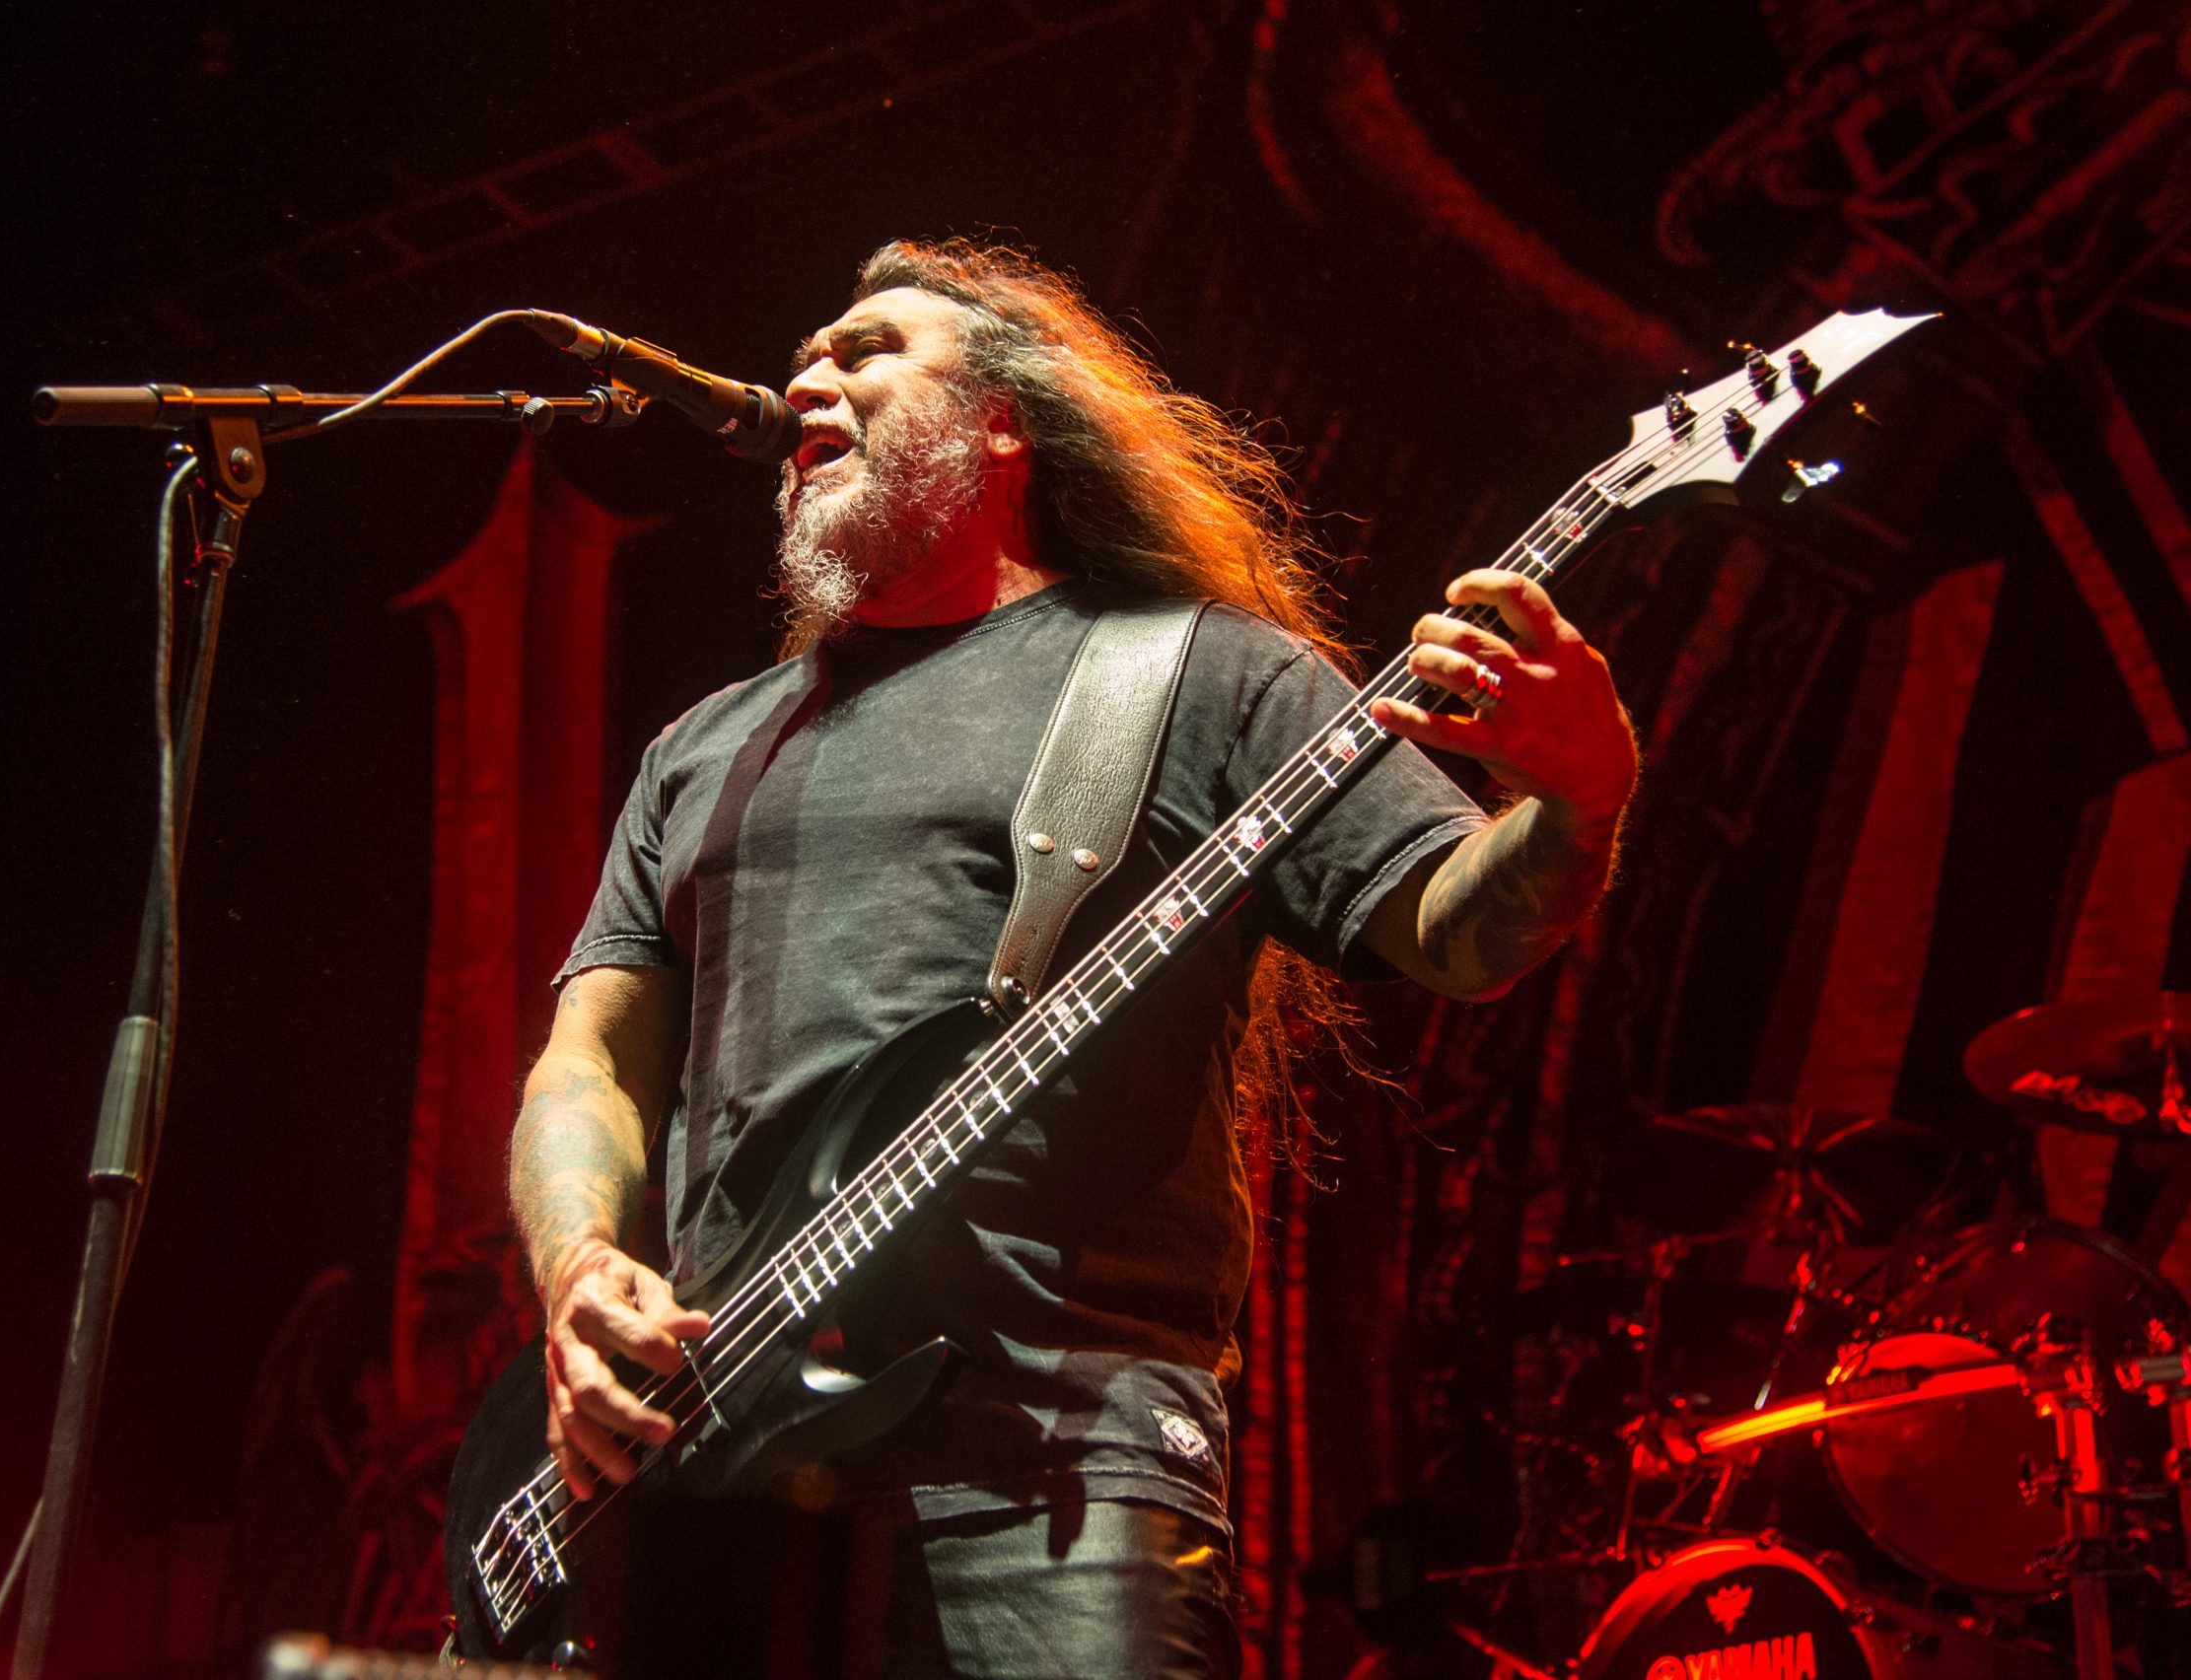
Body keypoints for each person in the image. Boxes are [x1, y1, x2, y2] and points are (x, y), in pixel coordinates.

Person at [506, 238, 1639, 1677]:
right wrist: (579, 1265)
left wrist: (1580, 794)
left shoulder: (1198, 671)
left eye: (868, 350)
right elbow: (590, 1061)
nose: (812, 377)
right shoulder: (704, 747)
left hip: (1057, 1466)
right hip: (721, 1481)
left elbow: (1457, 933)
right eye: (806, 357)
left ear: (1004, 422)